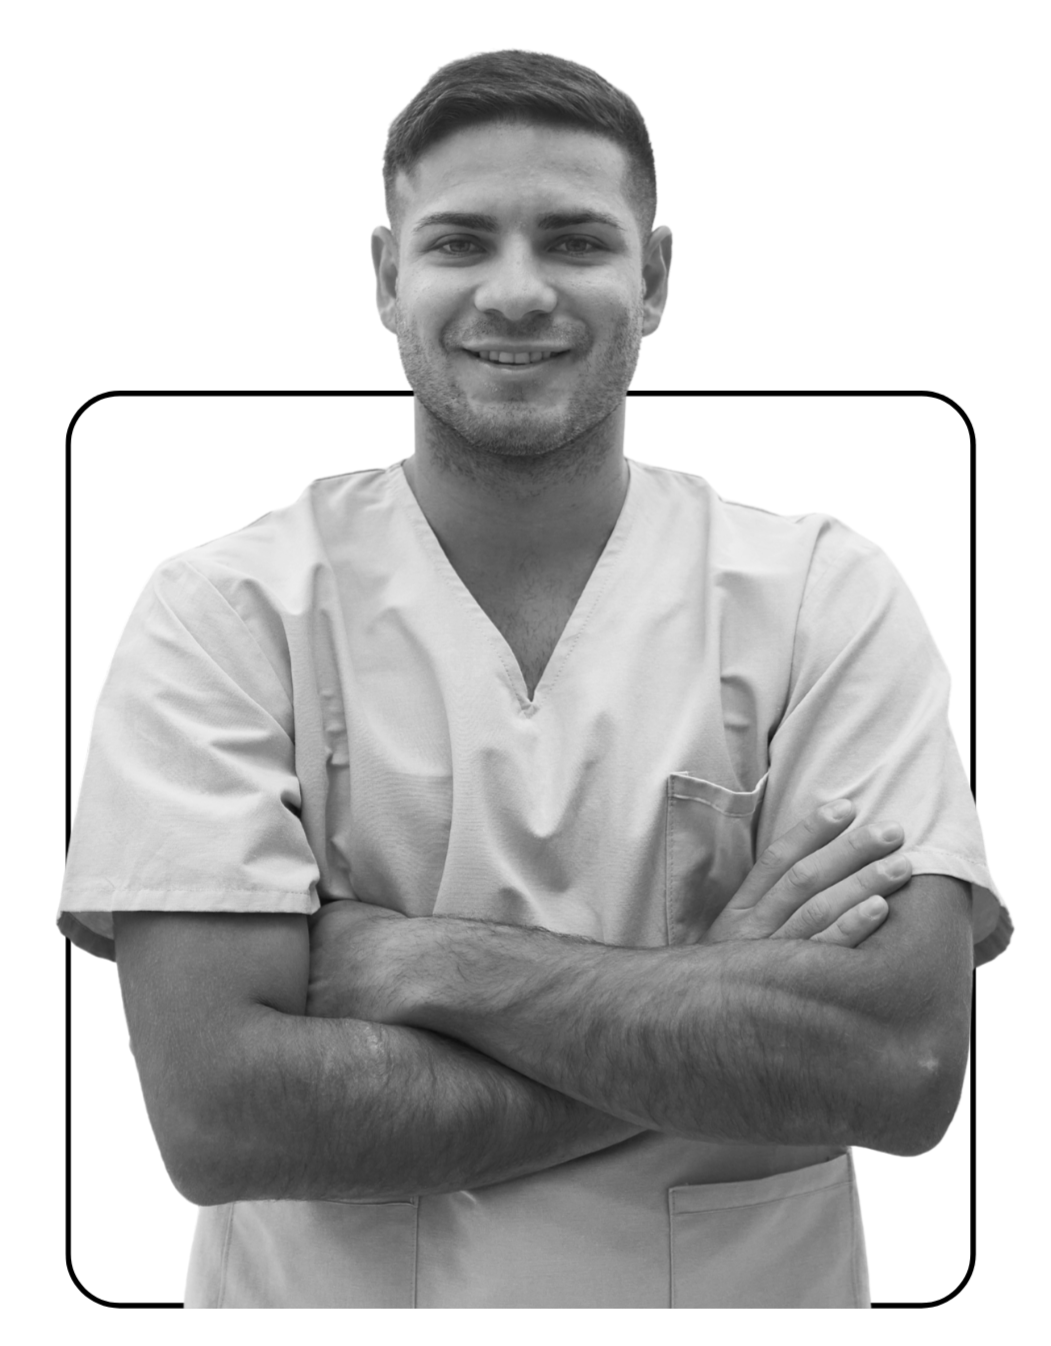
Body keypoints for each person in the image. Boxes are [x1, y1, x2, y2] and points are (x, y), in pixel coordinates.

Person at [58, 49, 1014, 1312]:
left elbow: (897, 1063)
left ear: (654, 279)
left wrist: (420, 963)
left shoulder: (820, 598)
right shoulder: (225, 614)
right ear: (384, 282)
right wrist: (709, 993)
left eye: (574, 239)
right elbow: (223, 1115)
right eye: (460, 243)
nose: (516, 292)